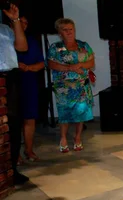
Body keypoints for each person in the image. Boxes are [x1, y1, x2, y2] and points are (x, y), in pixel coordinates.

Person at [47, 18, 95, 153]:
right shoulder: (55, 48)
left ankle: (77, 137)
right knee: (65, 113)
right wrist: (70, 67)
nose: (69, 32)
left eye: (71, 29)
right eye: (65, 30)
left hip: (81, 86)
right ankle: (63, 138)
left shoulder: (83, 46)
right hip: (64, 88)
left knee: (81, 112)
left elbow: (91, 63)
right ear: (59, 32)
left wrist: (79, 65)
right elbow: (51, 64)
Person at [1, 3, 30, 185]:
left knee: (13, 123)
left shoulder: (5, 29)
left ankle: (12, 169)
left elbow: (22, 47)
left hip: (10, 77)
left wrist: (15, 20)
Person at [16, 12, 45, 162]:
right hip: (13, 83)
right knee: (15, 119)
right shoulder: (7, 40)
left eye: (26, 23)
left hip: (29, 82)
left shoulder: (32, 41)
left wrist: (28, 67)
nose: (23, 25)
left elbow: (41, 63)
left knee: (30, 118)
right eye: (20, 22)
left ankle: (29, 150)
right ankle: (15, 155)